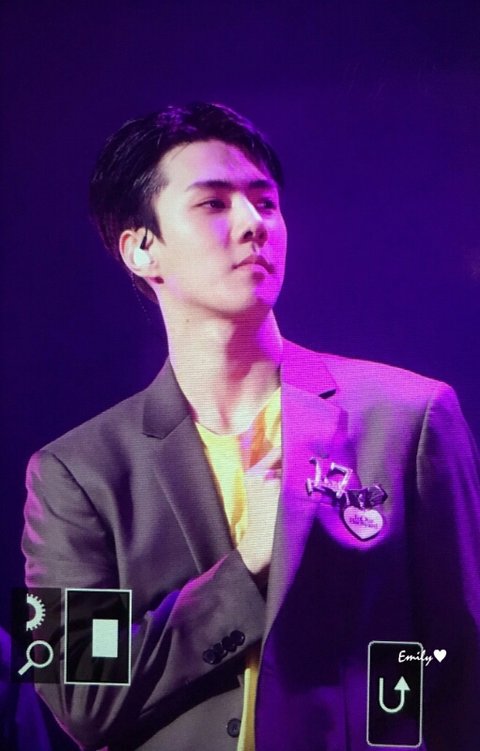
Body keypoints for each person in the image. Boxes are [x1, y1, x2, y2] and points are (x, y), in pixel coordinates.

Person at [22, 102, 480, 750]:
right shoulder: (81, 472)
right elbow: (81, 694)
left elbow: (462, 663)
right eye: (213, 203)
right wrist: (245, 570)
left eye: (265, 202)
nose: (252, 223)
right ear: (142, 248)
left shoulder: (407, 418)